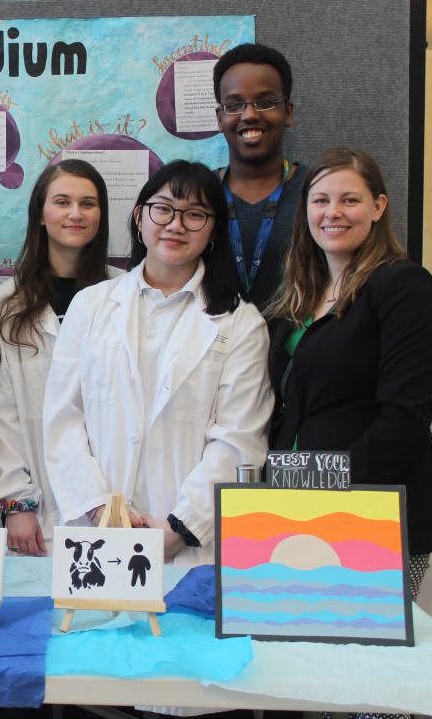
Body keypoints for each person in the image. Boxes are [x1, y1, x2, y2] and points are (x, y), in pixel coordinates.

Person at [42, 160, 272, 569]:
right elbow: (62, 419)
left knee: (182, 631)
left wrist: (180, 527)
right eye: (162, 208)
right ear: (139, 216)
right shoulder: (91, 305)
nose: (175, 224)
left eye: (195, 214)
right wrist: (100, 512)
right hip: (94, 539)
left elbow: (239, 441)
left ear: (215, 229)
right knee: (89, 632)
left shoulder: (241, 323)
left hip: (187, 549)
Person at [266, 146, 432, 597]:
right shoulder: (298, 295)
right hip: (292, 507)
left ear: (378, 207)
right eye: (321, 200)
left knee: (362, 660)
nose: (334, 213)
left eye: (350, 200)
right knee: (294, 652)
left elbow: (404, 417)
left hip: (371, 512)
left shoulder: (402, 285)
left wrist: (330, 489)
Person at [0, 158, 116, 556]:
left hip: (109, 498)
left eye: (88, 204)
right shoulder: (9, 301)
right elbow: (1, 409)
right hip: (36, 508)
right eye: (62, 202)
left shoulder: (121, 296)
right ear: (40, 215)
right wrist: (16, 501)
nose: (76, 213)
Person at [212, 43, 309, 312]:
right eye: (235, 105)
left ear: (287, 113)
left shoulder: (318, 193)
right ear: (219, 118)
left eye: (265, 103)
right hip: (217, 350)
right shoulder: (201, 195)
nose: (250, 114)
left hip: (299, 351)